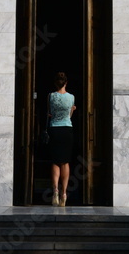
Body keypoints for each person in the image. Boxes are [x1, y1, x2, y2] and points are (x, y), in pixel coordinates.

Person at [46, 71, 76, 206]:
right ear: (66, 83)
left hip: (54, 129)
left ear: (55, 83)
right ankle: (64, 193)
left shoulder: (51, 96)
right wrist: (72, 111)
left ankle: (55, 192)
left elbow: (50, 113)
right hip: (67, 130)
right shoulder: (71, 97)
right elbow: (68, 116)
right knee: (65, 162)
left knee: (55, 161)